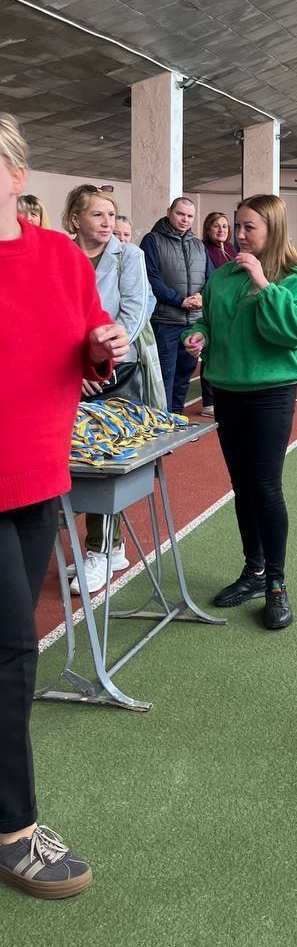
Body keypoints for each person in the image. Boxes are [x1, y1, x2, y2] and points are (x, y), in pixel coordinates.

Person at [0, 113, 128, 900]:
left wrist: (103, 347)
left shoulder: (57, 257)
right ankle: (14, 829)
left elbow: (86, 348)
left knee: (11, 646)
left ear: (16, 175)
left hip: (37, 479)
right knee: (13, 648)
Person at [182, 195, 297, 631]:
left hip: (270, 394)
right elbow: (209, 321)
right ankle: (254, 570)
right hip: (227, 391)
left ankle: (277, 583)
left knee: (265, 487)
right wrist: (199, 336)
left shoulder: (295, 279)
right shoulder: (223, 276)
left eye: (249, 228)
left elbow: (293, 333)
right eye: (237, 226)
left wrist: (264, 284)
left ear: (273, 230)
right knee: (242, 486)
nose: (239, 235)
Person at [61, 185, 155, 593]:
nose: (107, 223)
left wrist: (101, 360)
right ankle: (112, 547)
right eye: (97, 214)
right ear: (76, 218)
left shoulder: (128, 256)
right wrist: (75, 365)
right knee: (75, 460)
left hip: (117, 370)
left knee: (104, 461)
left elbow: (133, 312)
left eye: (112, 215)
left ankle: (98, 551)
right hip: (68, 372)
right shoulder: (61, 255)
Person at [140, 197, 212, 414]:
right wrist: (179, 300)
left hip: (193, 323)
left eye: (190, 216)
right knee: (164, 375)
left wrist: (201, 297)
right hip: (166, 321)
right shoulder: (152, 240)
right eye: (180, 214)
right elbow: (150, 278)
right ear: (169, 212)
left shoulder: (198, 245)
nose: (185, 219)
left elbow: (211, 278)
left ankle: (177, 416)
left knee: (185, 373)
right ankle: (163, 420)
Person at [200, 213, 237, 414]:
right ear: (208, 229)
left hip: (231, 308)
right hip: (213, 306)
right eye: (216, 226)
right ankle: (209, 401)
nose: (221, 230)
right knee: (210, 354)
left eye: (224, 226)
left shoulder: (231, 249)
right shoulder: (204, 249)